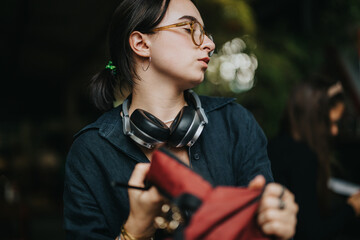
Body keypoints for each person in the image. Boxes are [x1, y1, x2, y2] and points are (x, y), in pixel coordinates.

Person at [63, 0, 298, 239]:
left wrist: (276, 220)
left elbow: (267, 222)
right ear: (142, 43)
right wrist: (134, 230)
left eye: (205, 33)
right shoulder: (90, 151)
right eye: (189, 29)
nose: (209, 43)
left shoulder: (236, 124)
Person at [267, 75, 360, 240]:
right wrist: (351, 209)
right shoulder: (303, 158)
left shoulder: (275, 146)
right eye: (331, 123)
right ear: (313, 119)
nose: (334, 131)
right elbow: (311, 233)